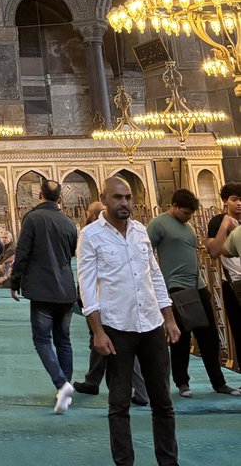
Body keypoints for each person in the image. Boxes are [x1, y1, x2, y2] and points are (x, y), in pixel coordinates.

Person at [77, 176, 181, 466]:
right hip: (116, 328)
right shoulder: (91, 235)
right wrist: (97, 331)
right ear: (104, 198)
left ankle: (168, 461)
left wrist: (168, 318)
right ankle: (125, 463)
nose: (124, 203)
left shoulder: (139, 232)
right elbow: (87, 285)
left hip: (150, 325)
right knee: (119, 404)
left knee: (163, 402)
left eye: (127, 197)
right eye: (117, 197)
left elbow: (155, 276)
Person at [147, 188, 240, 398]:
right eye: (186, 212)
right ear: (175, 206)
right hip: (177, 287)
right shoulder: (158, 224)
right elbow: (145, 252)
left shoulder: (187, 226)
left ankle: (219, 383)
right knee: (181, 336)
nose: (189, 217)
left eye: (191, 214)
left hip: (197, 285)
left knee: (209, 336)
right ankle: (182, 383)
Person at [9, 178, 78, 414]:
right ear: (60, 199)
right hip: (66, 289)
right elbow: (71, 253)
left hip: (42, 288)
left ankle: (61, 383)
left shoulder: (32, 219)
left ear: (40, 196)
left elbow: (23, 252)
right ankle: (65, 389)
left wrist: (14, 281)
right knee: (64, 340)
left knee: (42, 339)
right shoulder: (69, 223)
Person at [73, 203, 147, 406]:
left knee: (122, 350)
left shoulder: (134, 231)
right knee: (98, 341)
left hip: (116, 305)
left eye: (89, 214)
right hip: (100, 303)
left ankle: (141, 392)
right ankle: (93, 381)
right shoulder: (90, 234)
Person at [205, 181, 241, 355]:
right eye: (234, 199)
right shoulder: (217, 222)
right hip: (233, 283)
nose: (239, 203)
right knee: (238, 331)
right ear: (226, 201)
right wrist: (225, 225)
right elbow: (213, 251)